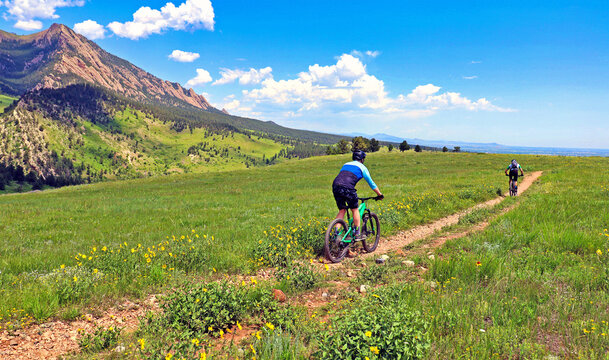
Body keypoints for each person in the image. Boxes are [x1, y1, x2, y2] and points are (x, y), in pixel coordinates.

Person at [332, 150, 383, 240]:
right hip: (348, 187)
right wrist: (379, 194)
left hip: (336, 186)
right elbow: (371, 183)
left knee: (342, 210)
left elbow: (343, 177)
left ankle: (336, 233)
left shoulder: (346, 164)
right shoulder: (362, 167)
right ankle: (357, 233)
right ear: (362, 159)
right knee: (355, 209)